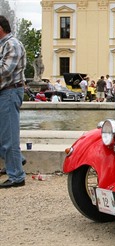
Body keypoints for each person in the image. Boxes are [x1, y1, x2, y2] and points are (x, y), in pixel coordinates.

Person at [0, 15, 27, 188]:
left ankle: (17, 176)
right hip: (5, 92)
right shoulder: (4, 45)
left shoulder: (12, 44)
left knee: (9, 136)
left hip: (9, 92)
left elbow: (4, 70)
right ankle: (18, 160)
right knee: (4, 134)